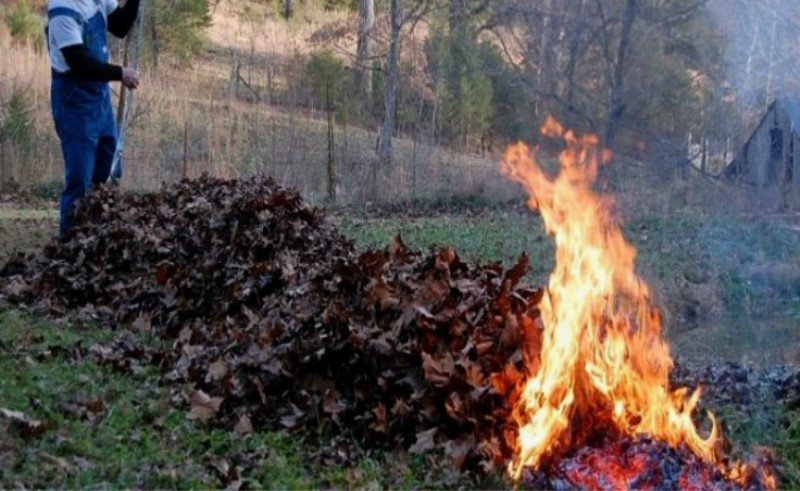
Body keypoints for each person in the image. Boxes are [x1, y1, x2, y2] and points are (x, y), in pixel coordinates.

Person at [47, 0, 142, 235]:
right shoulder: (62, 9)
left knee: (105, 163)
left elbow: (119, 26)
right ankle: (68, 248)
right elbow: (79, 63)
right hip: (74, 99)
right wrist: (120, 73)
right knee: (79, 178)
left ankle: (93, 236)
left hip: (99, 95)